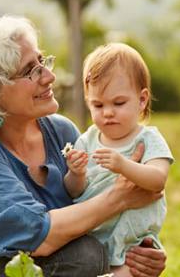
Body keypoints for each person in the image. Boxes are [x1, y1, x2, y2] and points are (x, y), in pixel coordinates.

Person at [0, 16, 167, 277]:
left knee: (88, 253)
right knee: (84, 257)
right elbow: (40, 236)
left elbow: (87, 214)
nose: (49, 76)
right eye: (31, 70)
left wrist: (137, 252)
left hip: (26, 262)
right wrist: (120, 197)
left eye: (42, 61)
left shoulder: (61, 131)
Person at [64, 43, 173, 277]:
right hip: (94, 237)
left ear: (142, 100)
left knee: (132, 271)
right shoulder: (87, 140)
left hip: (133, 240)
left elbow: (158, 180)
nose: (108, 112)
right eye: (98, 105)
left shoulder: (147, 139)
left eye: (118, 103)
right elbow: (74, 192)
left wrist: (124, 165)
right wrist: (76, 173)